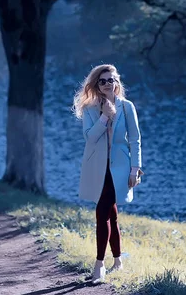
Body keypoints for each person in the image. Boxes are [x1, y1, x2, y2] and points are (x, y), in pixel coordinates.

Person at [72, 64, 143, 284]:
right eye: (102, 81)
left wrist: (135, 168)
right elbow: (90, 138)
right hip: (97, 168)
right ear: (96, 85)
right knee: (109, 213)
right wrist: (104, 117)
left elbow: (135, 140)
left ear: (117, 82)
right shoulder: (90, 109)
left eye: (110, 80)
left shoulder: (128, 107)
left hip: (121, 168)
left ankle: (99, 264)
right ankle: (117, 261)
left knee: (103, 211)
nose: (107, 84)